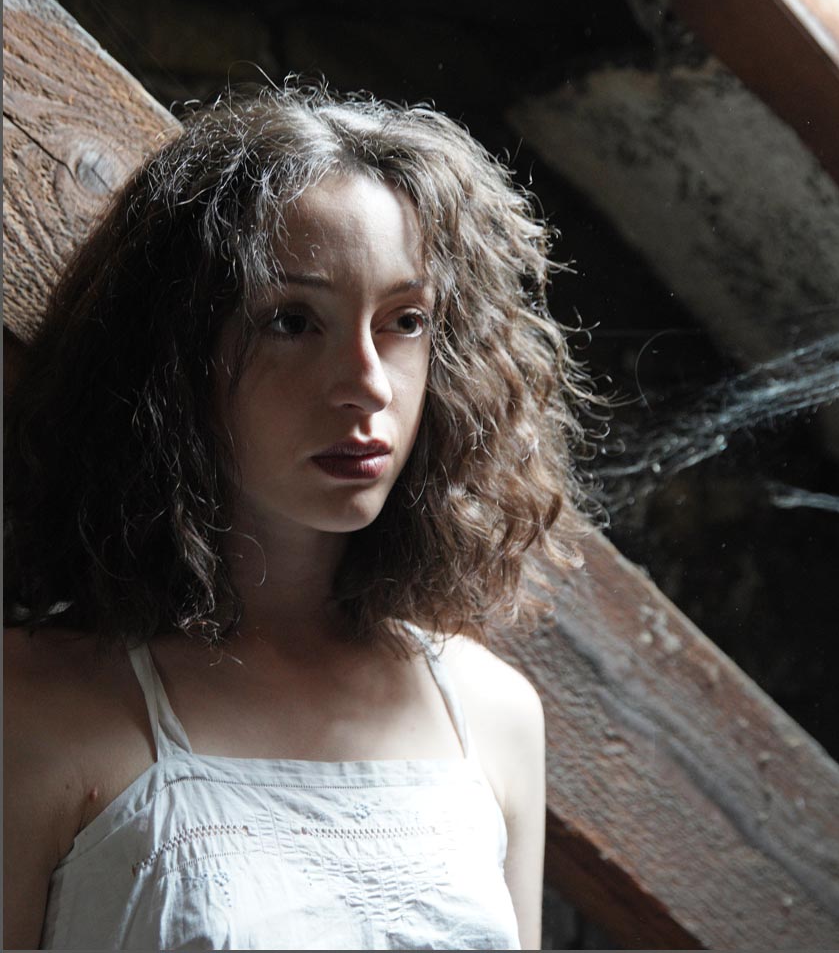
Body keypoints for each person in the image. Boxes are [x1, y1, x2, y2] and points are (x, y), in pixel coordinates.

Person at [3, 83, 596, 950]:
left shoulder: (492, 714)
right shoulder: (32, 705)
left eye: (404, 321)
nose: (366, 383)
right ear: (175, 356)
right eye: (292, 321)